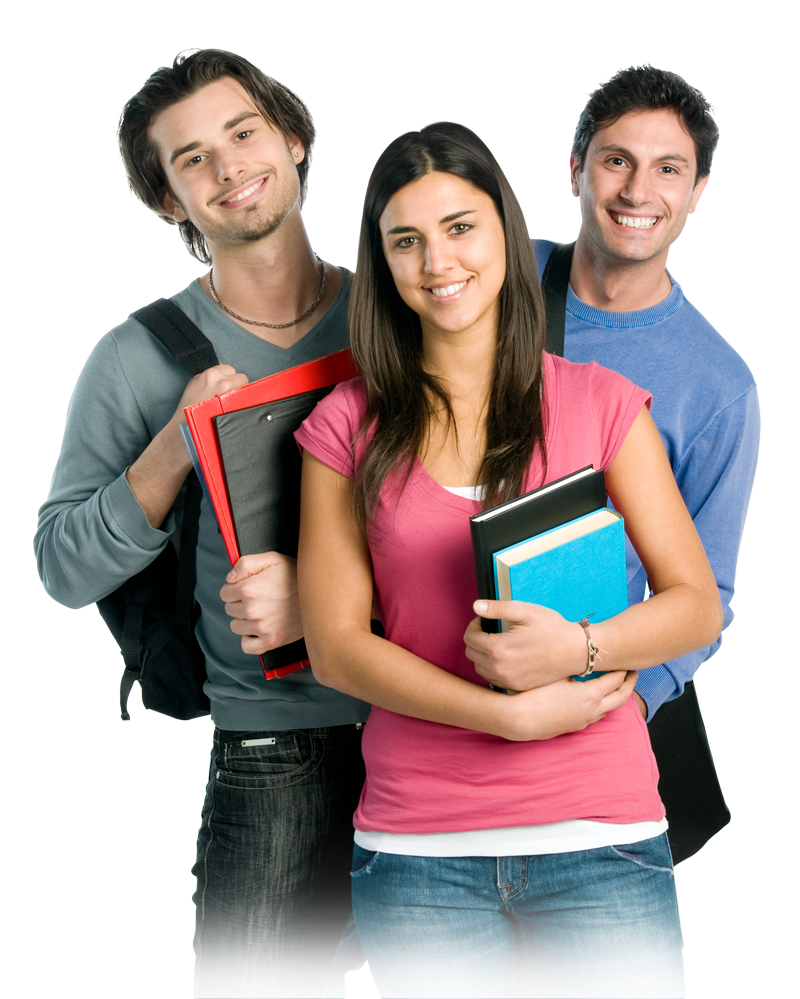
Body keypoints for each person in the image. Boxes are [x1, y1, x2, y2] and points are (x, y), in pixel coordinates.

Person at [295, 120, 722, 998]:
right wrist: (504, 717)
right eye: (404, 240)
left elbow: (695, 604)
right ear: (381, 264)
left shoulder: (600, 404)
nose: (437, 261)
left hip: (600, 836)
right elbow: (336, 644)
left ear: (505, 231)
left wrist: (579, 650)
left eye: (460, 227)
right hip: (420, 854)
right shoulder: (346, 422)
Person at [34, 48, 367, 999]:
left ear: (297, 140)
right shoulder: (138, 357)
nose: (228, 168)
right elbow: (61, 565)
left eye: (244, 133)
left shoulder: (400, 310)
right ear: (169, 202)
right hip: (273, 758)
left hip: (432, 727)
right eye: (191, 160)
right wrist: (176, 444)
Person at [466, 64, 759, 723]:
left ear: (697, 191)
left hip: (584, 689)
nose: (637, 191)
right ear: (576, 170)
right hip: (430, 662)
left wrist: (620, 706)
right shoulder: (493, 276)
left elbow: (703, 595)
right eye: (617, 160)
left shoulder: (720, 386)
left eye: (669, 169)